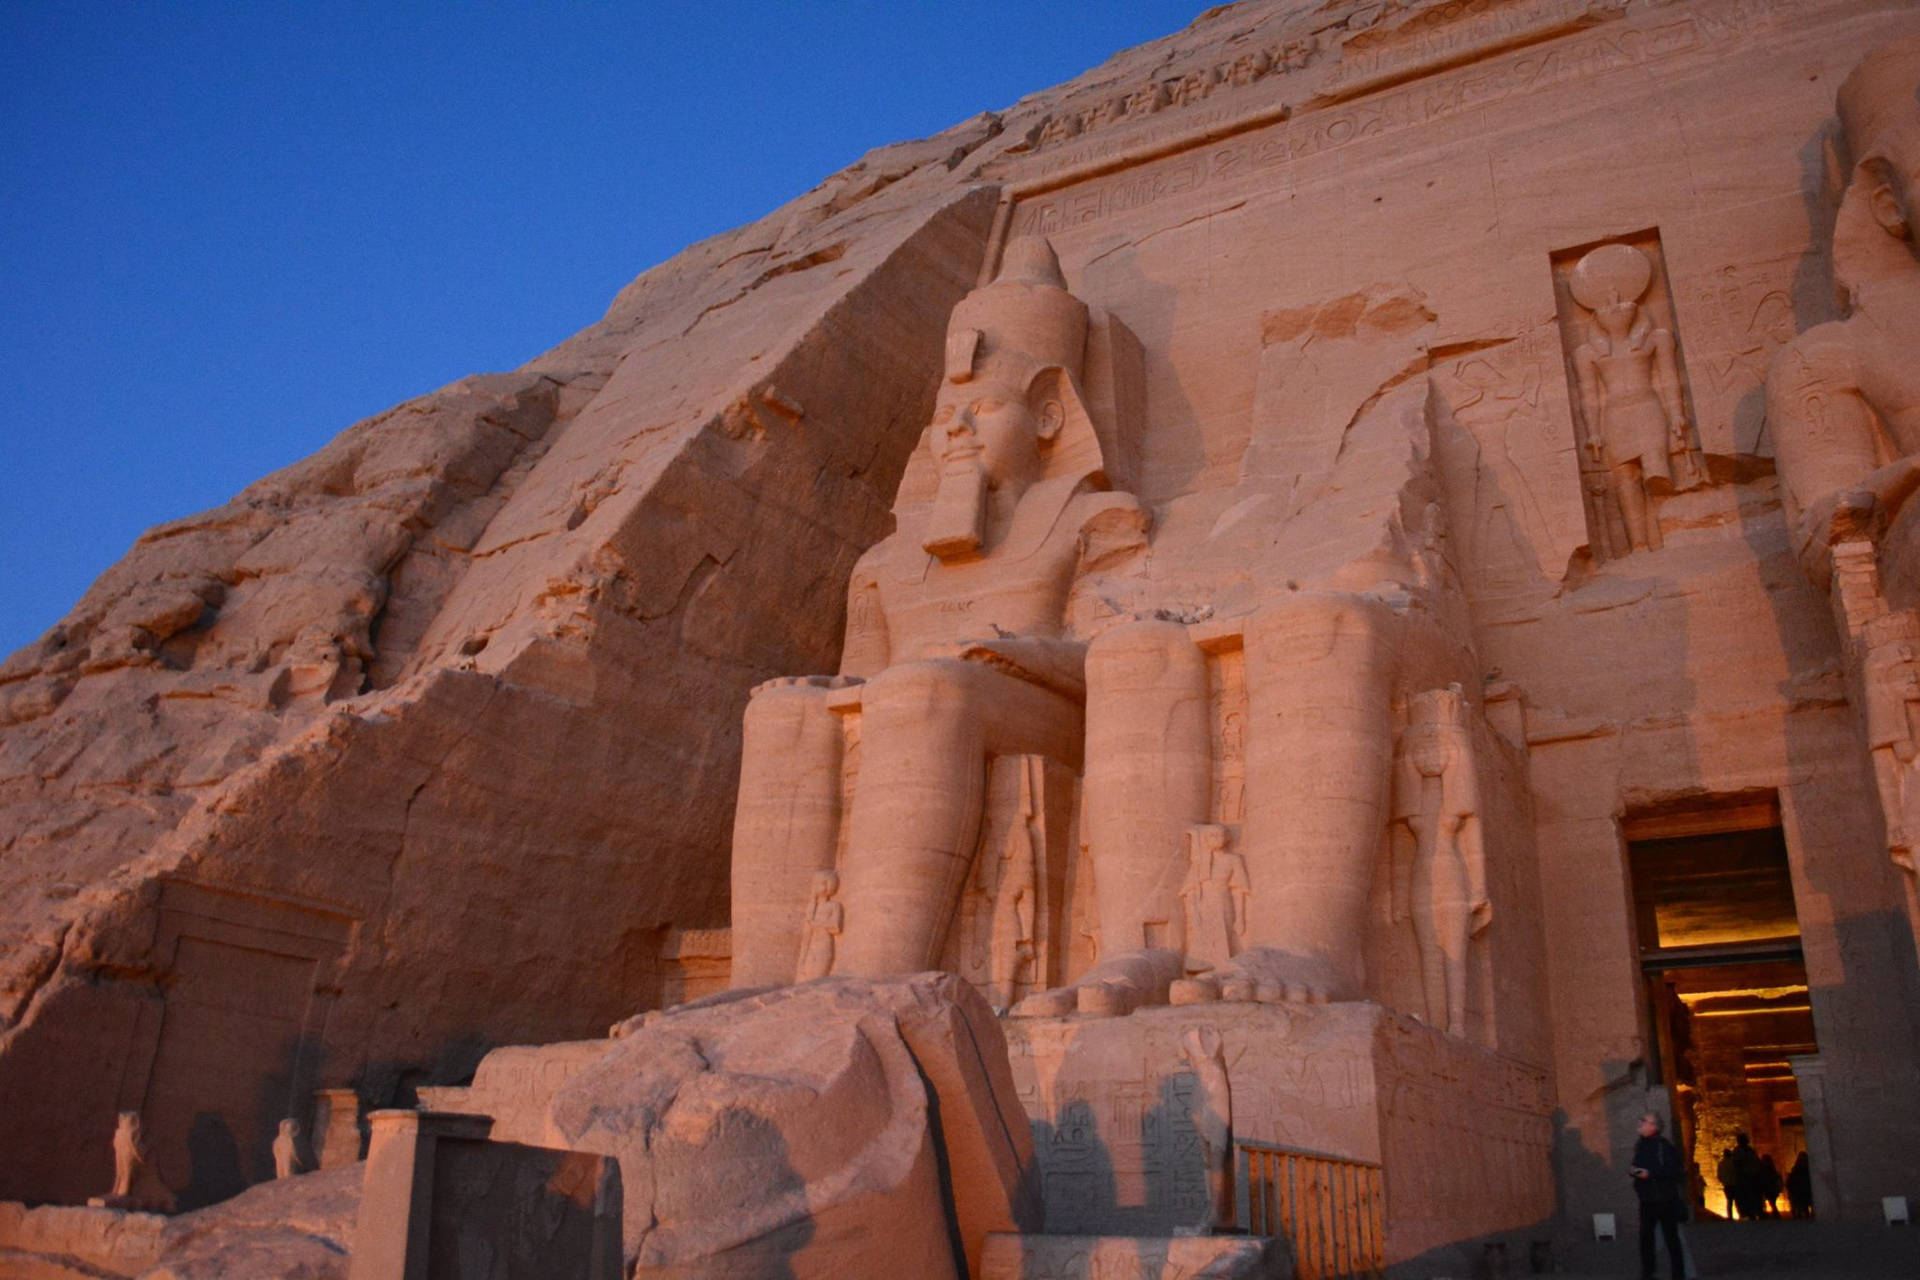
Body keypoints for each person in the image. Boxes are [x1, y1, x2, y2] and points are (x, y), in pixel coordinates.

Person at [1632, 1113, 1687, 1280]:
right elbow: (1638, 1166)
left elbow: (1673, 1171)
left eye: (1644, 1121)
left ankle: (1679, 1274)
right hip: (1648, 1199)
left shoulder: (1663, 1146)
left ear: (1654, 1127)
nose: (1640, 1122)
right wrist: (1635, 1171)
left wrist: (1650, 1174)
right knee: (1646, 1238)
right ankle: (1648, 1272)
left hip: (1664, 1199)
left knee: (1671, 1238)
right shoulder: (1641, 1145)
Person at [1730, 1133, 1765, 1221]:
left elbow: (1755, 1162)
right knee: (1746, 1197)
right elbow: (1737, 1164)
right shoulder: (1738, 1151)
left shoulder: (1749, 1150)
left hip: (1752, 1178)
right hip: (1744, 1178)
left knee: (1754, 1196)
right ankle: (1749, 1213)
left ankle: (1756, 1211)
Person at [1786, 1150, 1813, 1219]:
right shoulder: (1798, 1168)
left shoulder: (1798, 1168)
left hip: (1803, 1190)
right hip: (1801, 1190)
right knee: (1803, 1206)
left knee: (1804, 1206)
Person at [1758, 1152, 1783, 1217]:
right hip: (1772, 1188)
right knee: (1772, 1202)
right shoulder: (1772, 1168)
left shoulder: (1764, 1168)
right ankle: (1775, 1213)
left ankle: (1775, 1213)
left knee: (1771, 1202)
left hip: (1768, 1188)